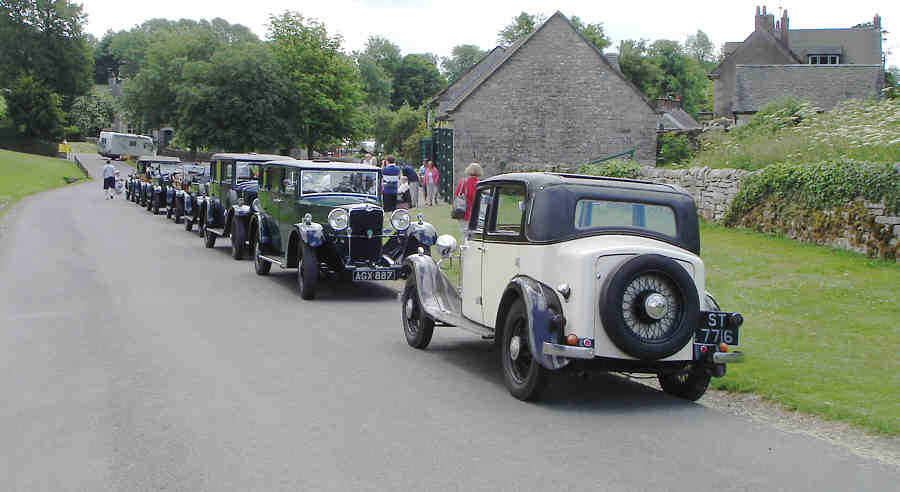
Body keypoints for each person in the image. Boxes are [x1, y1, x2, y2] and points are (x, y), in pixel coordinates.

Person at [454, 162, 482, 233]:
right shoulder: (480, 184)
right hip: (475, 213)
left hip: (462, 211)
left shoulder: (462, 182)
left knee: (464, 233)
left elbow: (457, 194)